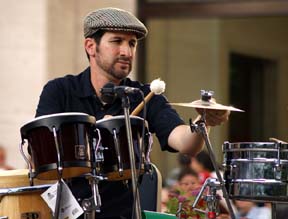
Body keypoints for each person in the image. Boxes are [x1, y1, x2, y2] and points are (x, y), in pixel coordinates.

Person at [35, 7, 230, 218]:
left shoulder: (144, 95)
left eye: (132, 43)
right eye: (117, 41)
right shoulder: (60, 91)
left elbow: (185, 142)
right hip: (65, 212)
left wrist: (205, 120)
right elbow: (39, 152)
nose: (127, 52)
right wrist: (96, 134)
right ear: (91, 46)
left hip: (124, 213)